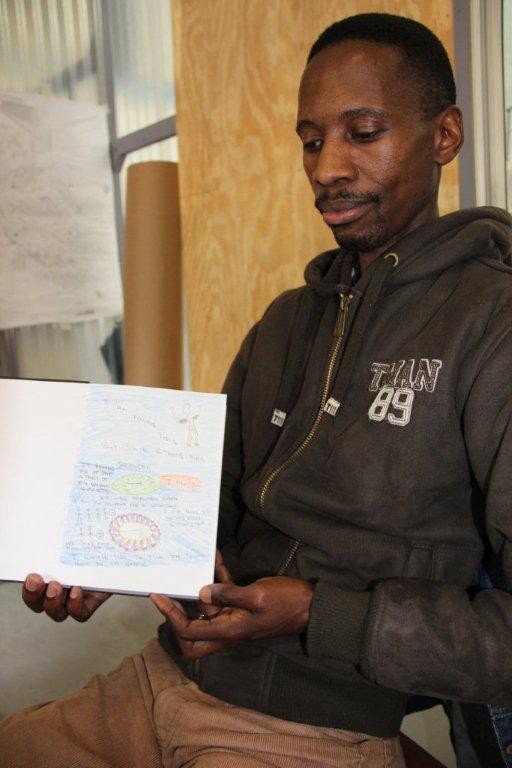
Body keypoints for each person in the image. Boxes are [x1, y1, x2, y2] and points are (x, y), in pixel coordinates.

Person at [1, 12, 511, 768]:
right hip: (165, 675)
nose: (327, 168)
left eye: (363, 133)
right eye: (310, 140)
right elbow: (202, 506)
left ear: (445, 135)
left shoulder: (490, 322)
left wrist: (315, 614)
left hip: (314, 727)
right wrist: (112, 556)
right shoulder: (283, 322)